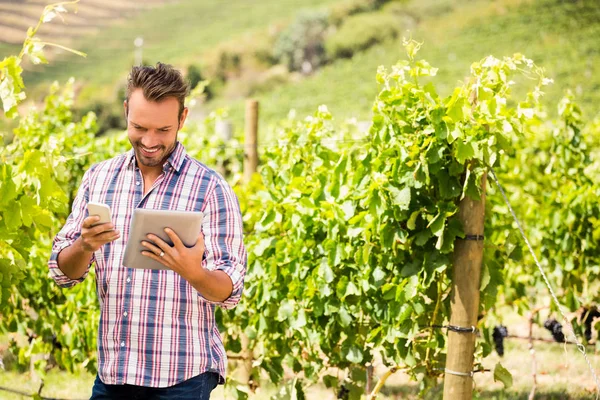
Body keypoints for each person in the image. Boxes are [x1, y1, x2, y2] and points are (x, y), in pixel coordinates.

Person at [48, 63, 247, 400]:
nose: (150, 141)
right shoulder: (99, 179)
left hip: (183, 378)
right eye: (139, 127)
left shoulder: (211, 189)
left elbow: (230, 290)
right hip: (114, 374)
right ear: (126, 111)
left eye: (163, 130)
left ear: (182, 120)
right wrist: (84, 246)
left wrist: (193, 271)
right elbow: (62, 272)